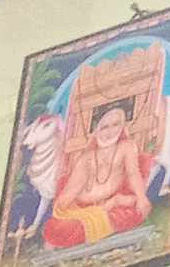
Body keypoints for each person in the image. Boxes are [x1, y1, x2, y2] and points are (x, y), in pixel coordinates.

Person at [42, 99, 151, 248]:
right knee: (59, 229)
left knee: (135, 207)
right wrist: (105, 206)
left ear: (123, 125)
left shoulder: (126, 147)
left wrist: (142, 197)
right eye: (105, 127)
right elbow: (68, 196)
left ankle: (108, 212)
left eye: (116, 124)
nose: (110, 131)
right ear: (97, 129)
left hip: (113, 203)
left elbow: (133, 173)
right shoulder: (86, 159)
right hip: (83, 208)